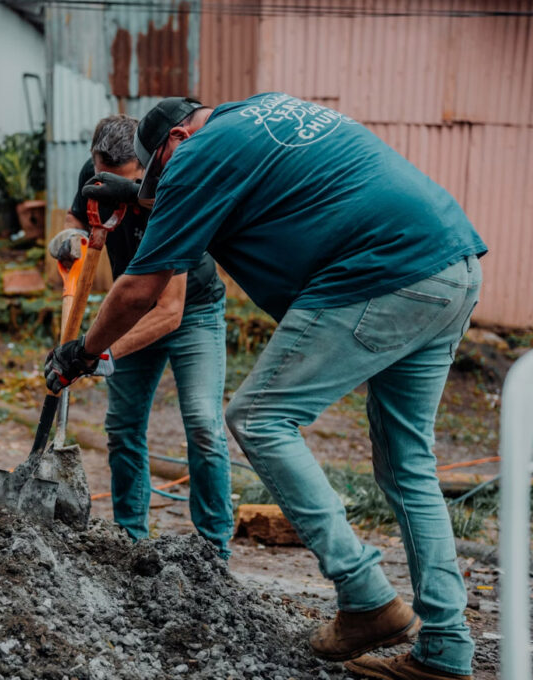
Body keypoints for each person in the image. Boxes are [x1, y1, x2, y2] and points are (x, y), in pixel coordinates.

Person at [45, 94, 485, 680]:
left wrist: (82, 351)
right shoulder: (257, 112)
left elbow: (138, 290)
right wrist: (135, 194)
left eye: (158, 171)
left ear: (176, 140)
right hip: (450, 263)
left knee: (258, 418)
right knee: (408, 463)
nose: (161, 182)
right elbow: (229, 184)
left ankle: (366, 595)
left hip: (379, 273)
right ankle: (447, 651)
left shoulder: (197, 153)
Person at [63, 114, 232, 555]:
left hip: (191, 307)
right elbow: (78, 217)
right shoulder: (96, 173)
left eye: (130, 179)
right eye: (105, 175)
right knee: (122, 427)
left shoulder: (174, 176)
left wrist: (97, 352)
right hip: (131, 304)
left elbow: (169, 311)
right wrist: (70, 236)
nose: (117, 184)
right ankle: (130, 542)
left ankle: (214, 551)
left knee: (203, 424)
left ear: (144, 161)